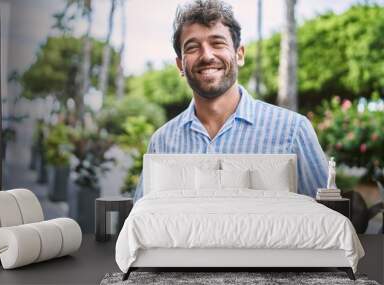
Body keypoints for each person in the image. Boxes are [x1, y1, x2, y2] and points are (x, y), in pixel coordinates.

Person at [133, 0, 327, 202]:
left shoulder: (293, 131)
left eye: (217, 43)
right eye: (192, 47)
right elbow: (143, 218)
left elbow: (328, 217)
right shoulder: (162, 143)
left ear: (239, 54)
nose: (207, 55)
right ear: (180, 65)